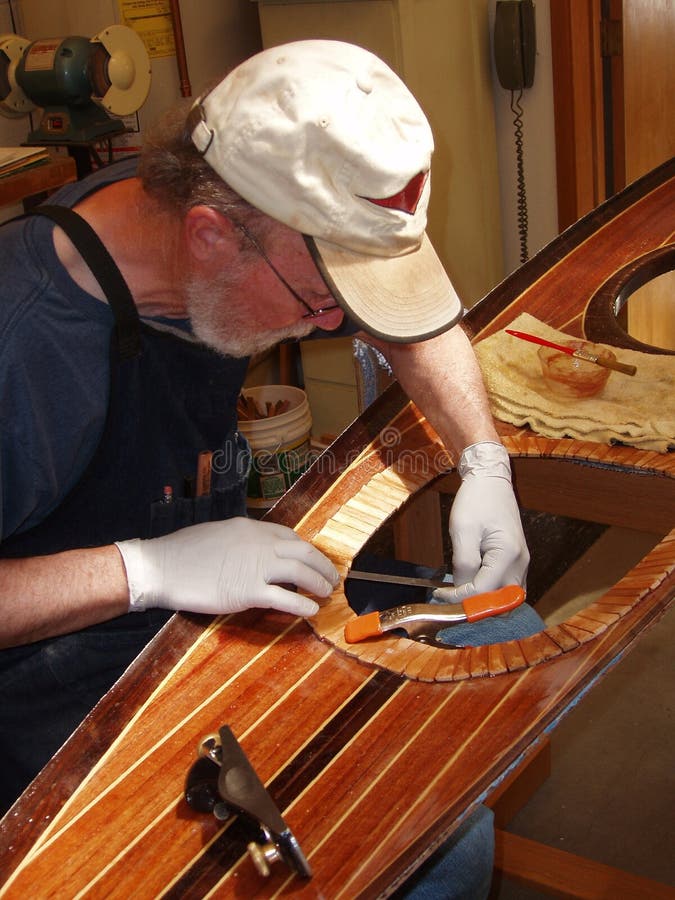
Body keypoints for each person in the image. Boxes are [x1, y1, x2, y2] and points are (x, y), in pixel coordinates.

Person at [0, 39, 539, 895]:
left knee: (505, 635)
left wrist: (483, 461)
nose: (328, 323)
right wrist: (143, 570)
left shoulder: (231, 225)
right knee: (440, 852)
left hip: (203, 607)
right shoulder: (23, 344)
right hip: (66, 674)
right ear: (211, 237)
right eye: (321, 303)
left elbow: (413, 325)